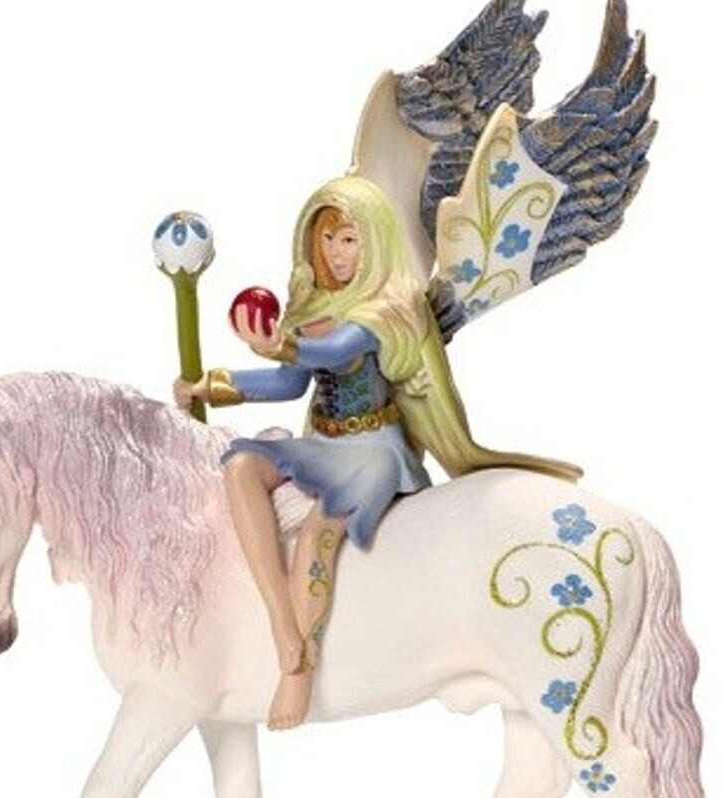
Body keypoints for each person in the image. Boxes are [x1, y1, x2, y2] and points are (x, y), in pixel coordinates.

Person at [174, 174, 580, 731]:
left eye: (349, 239)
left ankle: (298, 668)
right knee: (242, 465)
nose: (336, 253)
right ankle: (281, 623)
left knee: (318, 532)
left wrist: (283, 344)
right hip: (322, 442)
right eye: (326, 238)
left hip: (373, 451)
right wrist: (215, 387)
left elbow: (335, 350)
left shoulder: (385, 310)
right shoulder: (310, 304)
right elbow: (290, 384)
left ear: (374, 242)